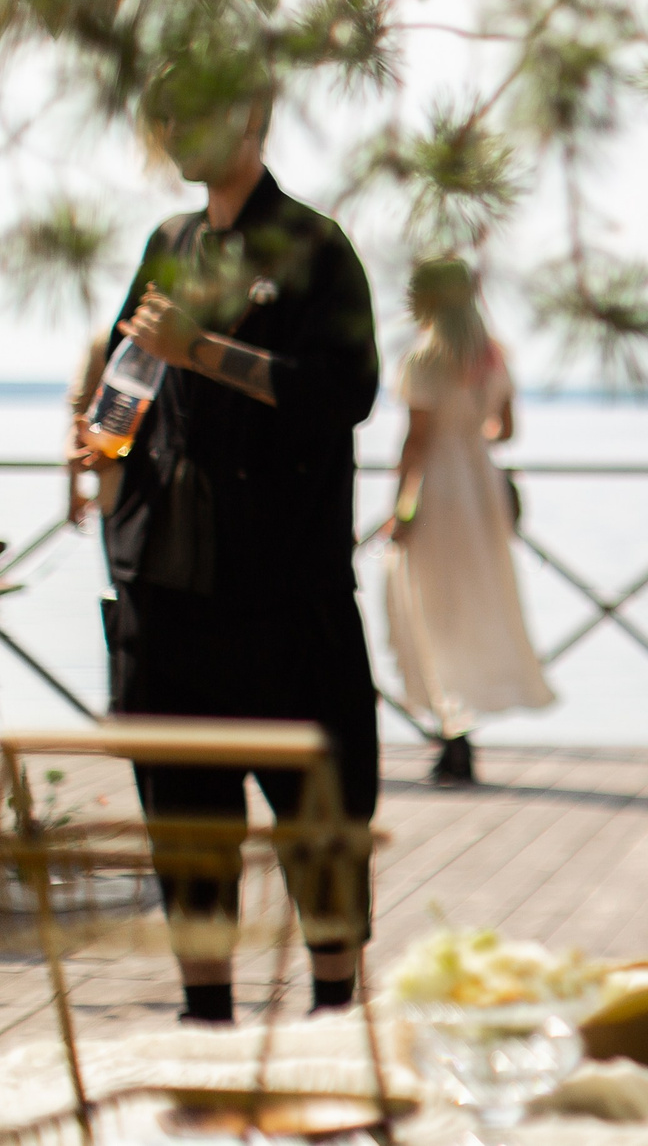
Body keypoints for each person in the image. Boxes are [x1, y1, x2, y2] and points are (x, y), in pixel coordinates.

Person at [66, 72, 381, 1024]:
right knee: (183, 823)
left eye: (191, 110)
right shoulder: (169, 241)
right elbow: (133, 360)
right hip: (168, 582)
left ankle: (335, 1021)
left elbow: (345, 394)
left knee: (322, 820)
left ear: (249, 112)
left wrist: (206, 352)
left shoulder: (316, 247)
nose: (173, 132)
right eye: (161, 117)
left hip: (287, 588)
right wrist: (103, 438)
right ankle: (204, 1025)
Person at [383, 256, 556, 787]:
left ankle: (449, 730)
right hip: (480, 488)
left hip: (438, 488)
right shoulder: (492, 357)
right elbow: (505, 429)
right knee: (475, 603)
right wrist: (472, 425)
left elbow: (416, 440)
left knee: (431, 607)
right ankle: (461, 728)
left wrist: (401, 508)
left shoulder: (425, 358)